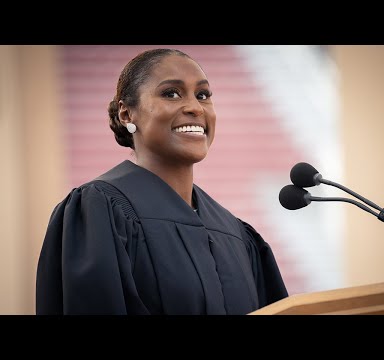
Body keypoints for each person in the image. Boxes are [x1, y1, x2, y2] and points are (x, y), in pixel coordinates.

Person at [36, 48, 289, 315]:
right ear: (126, 114)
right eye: (171, 93)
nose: (194, 107)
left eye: (203, 95)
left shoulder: (237, 234)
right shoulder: (100, 211)